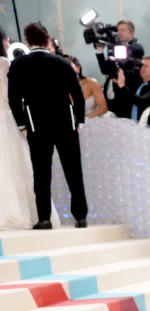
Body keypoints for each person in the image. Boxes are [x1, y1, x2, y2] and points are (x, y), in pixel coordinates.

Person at [7, 22, 87, 229]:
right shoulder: (61, 62)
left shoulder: (18, 65)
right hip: (65, 123)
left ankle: (44, 218)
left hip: (37, 126)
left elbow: (13, 98)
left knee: (41, 173)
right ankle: (80, 216)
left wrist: (22, 125)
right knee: (73, 171)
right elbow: (77, 94)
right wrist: (78, 120)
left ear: (27, 41)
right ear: (48, 40)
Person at [113, 55, 150, 123]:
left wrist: (123, 87)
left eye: (146, 66)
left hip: (146, 129)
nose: (142, 68)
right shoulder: (135, 84)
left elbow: (142, 102)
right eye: (141, 65)